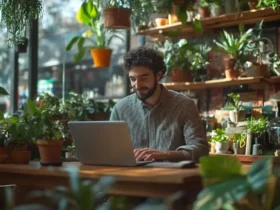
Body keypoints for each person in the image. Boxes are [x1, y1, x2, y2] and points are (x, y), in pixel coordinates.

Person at [110, 46, 209, 162]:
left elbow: (201, 150)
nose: (137, 85)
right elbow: (110, 150)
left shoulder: (184, 106)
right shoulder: (120, 109)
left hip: (171, 178)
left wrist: (164, 155)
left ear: (158, 75)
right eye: (133, 79)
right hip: (132, 177)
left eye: (144, 78)